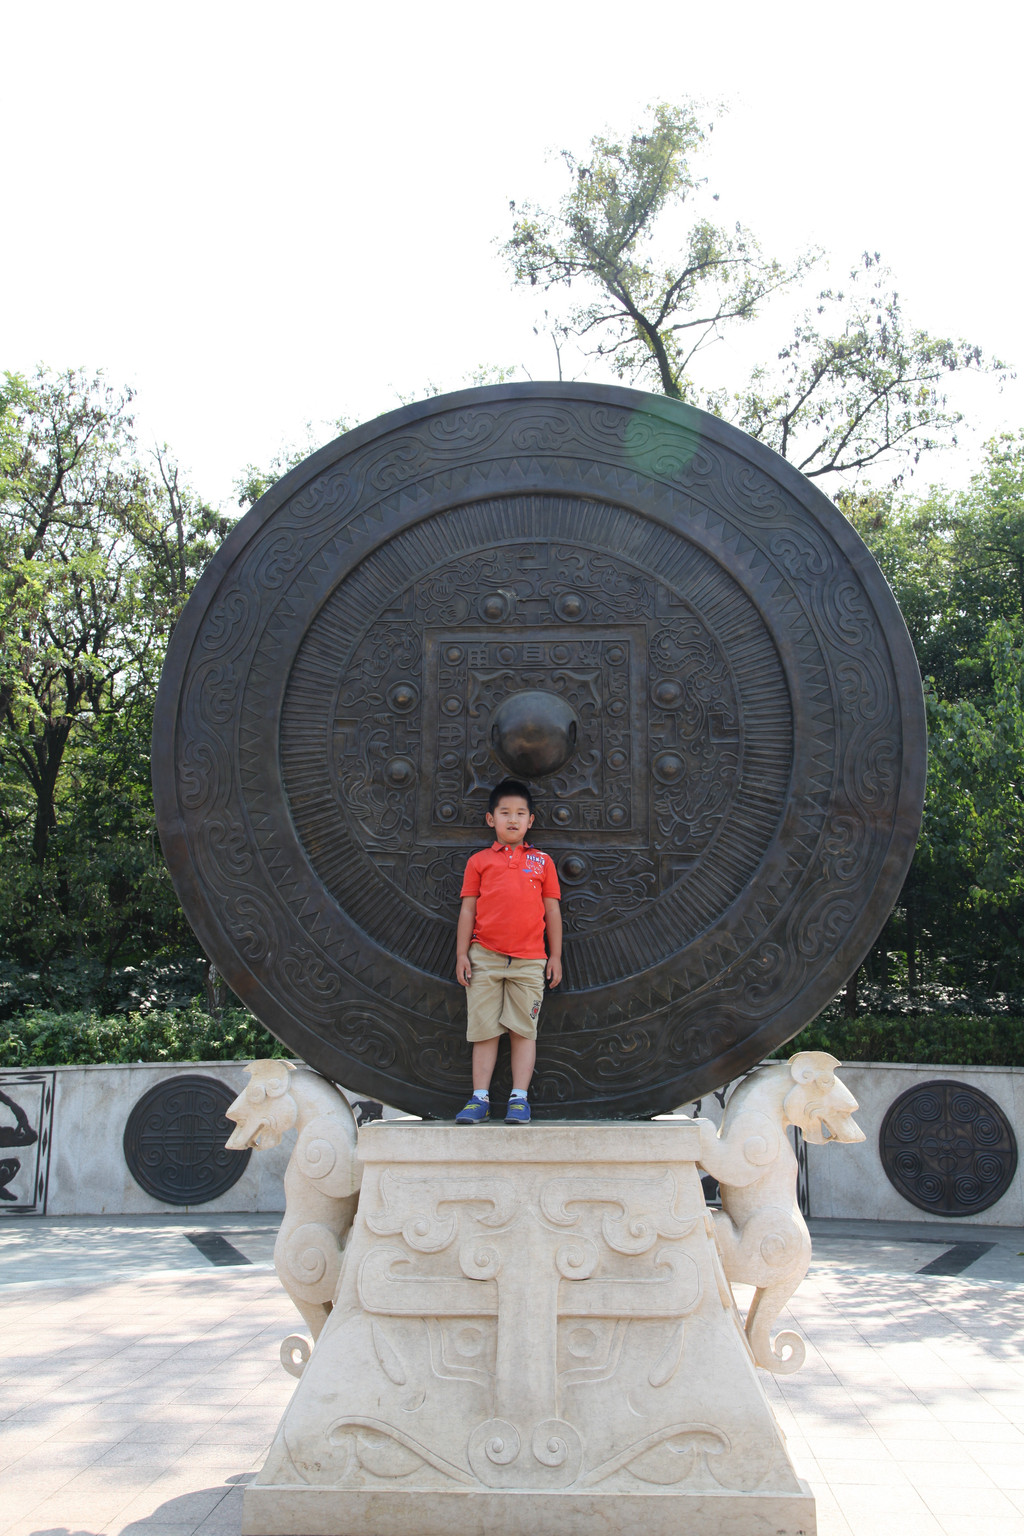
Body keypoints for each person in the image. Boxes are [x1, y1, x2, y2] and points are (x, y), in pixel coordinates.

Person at [454, 778, 562, 1125]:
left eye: (520, 813)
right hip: (484, 956)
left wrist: (555, 956)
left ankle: (519, 1098)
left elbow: (552, 910)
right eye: (505, 813)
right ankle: (479, 1098)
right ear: (491, 819)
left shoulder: (543, 862)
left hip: (530, 960)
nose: (512, 819)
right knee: (484, 1030)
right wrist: (461, 954)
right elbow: (468, 910)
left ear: (531, 820)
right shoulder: (479, 862)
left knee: (523, 1030)